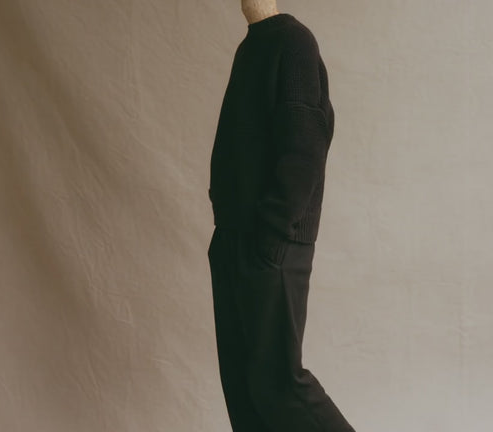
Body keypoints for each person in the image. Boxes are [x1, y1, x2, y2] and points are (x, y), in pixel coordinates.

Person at [206, 2, 356, 431]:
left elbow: (306, 146)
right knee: (242, 385)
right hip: (233, 239)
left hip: (272, 243)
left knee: (279, 384)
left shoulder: (293, 42)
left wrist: (272, 235)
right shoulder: (250, 48)